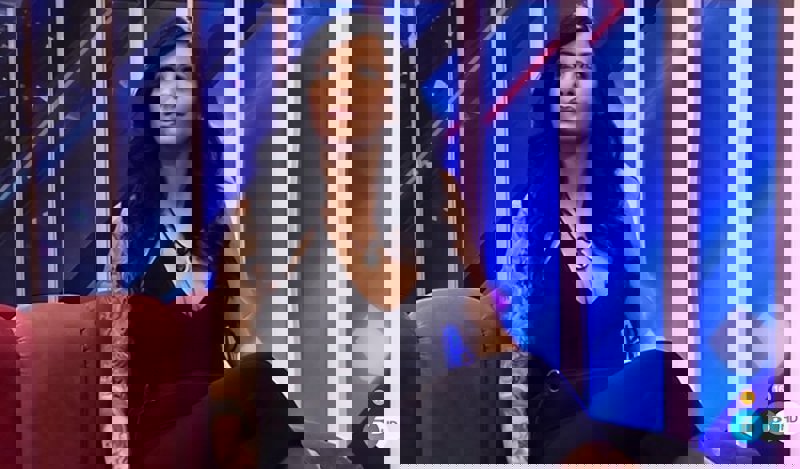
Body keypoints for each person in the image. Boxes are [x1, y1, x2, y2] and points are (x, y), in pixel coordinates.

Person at [408, 11, 705, 464]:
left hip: (600, 398)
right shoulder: (521, 221)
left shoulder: (624, 217)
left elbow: (641, 327)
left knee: (660, 381)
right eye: (561, 74)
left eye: (581, 72)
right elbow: (501, 327)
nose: (569, 85)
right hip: (537, 409)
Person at [13, 21, 302, 469]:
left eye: (182, 78)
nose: (166, 95)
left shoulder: (231, 222)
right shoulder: (125, 221)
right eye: (159, 80)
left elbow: (249, 338)